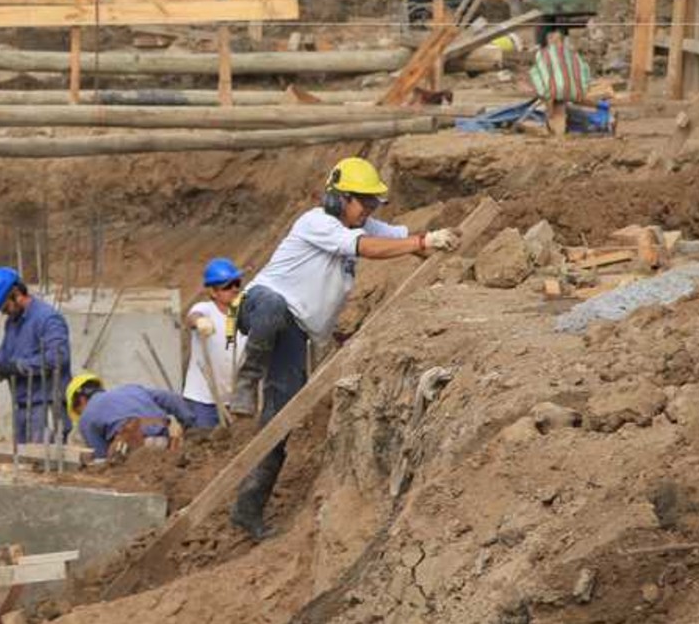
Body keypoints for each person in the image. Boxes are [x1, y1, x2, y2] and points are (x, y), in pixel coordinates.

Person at [225, 157, 460, 540]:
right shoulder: (316, 222)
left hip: (296, 335)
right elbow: (369, 248)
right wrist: (421, 243)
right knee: (273, 306)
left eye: (372, 204)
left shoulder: (363, 223)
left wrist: (435, 242)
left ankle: (247, 509)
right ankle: (247, 380)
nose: (368, 210)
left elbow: (400, 239)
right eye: (362, 202)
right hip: (259, 308)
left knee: (280, 422)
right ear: (338, 200)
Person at [0, 266, 71, 443]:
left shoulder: (48, 319)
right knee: (23, 464)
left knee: (42, 465)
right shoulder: (13, 322)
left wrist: (18, 367)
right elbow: (5, 354)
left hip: (45, 406)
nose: (3, 312)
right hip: (23, 407)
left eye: (4, 306)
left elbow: (58, 358)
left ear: (16, 293)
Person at [66, 373, 195, 461]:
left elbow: (101, 459)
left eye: (78, 411)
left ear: (82, 400)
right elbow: (169, 398)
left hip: (134, 450)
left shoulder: (86, 418)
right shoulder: (131, 389)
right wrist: (189, 424)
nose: (80, 414)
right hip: (164, 441)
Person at [182, 258, 247, 429]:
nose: (234, 289)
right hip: (203, 399)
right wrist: (200, 322)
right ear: (213, 292)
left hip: (233, 399)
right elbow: (192, 317)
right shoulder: (205, 309)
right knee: (202, 444)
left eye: (236, 283)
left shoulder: (244, 315)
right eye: (227, 286)